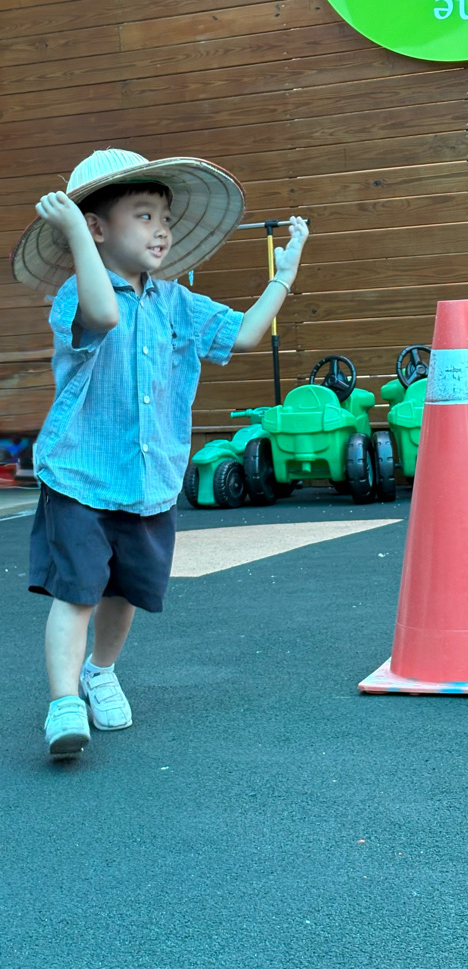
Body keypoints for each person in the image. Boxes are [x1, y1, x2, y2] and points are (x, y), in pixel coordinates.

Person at [11, 148, 309, 758]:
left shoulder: (178, 303)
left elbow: (246, 334)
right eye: (144, 216)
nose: (162, 230)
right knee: (77, 591)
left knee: (127, 592)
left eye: (164, 218)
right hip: (80, 473)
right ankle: (64, 703)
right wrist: (75, 235)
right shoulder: (75, 294)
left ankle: (100, 671)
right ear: (97, 228)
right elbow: (103, 314)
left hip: (150, 478)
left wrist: (284, 273)